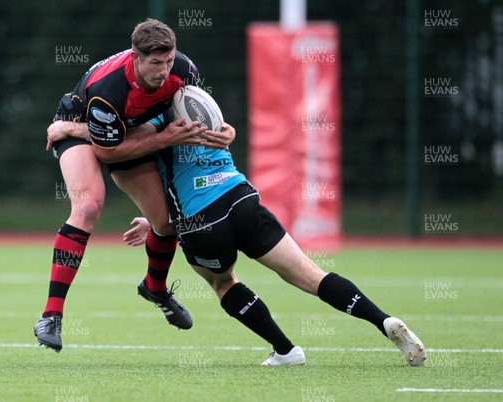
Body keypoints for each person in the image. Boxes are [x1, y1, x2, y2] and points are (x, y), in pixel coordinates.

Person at [121, 112, 427, 366]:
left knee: (224, 283)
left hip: (203, 220)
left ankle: (285, 350)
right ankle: (383, 321)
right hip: (240, 197)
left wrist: (157, 222)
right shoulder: (198, 100)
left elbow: (123, 147)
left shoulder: (150, 117)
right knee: (311, 274)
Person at [34, 19, 235, 352]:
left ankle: (155, 288)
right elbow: (107, 149)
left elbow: (188, 113)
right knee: (88, 206)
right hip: (81, 123)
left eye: (168, 61)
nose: (163, 70)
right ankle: (51, 315)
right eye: (155, 63)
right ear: (135, 57)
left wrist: (224, 130)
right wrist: (159, 137)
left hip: (129, 129)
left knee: (166, 223)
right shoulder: (109, 90)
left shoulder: (184, 70)